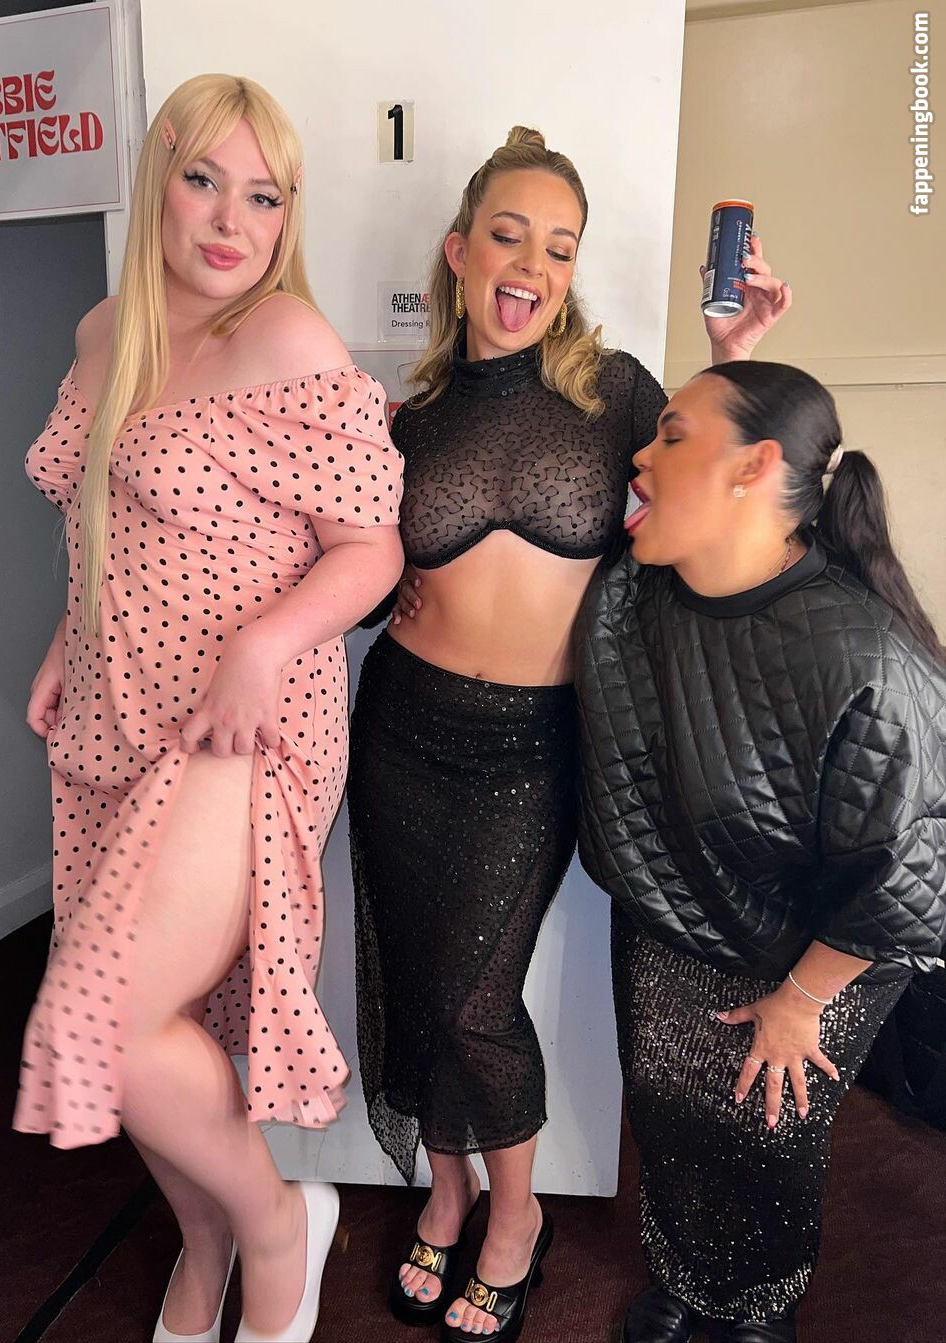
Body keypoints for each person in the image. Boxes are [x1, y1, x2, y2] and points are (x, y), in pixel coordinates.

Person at [347, 125, 790, 1342]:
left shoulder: (616, 393)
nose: (533, 267)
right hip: (401, 727)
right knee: (416, 977)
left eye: (559, 247)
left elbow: (712, 484)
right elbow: (359, 567)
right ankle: (444, 1192)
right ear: (459, 251)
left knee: (475, 997)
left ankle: (517, 1215)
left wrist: (732, 354)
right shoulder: (412, 417)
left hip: (533, 747)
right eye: (509, 236)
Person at [16, 74, 403, 1343]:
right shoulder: (105, 332)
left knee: (110, 1016)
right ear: (159, 179)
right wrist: (67, 637)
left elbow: (373, 547)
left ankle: (281, 1224)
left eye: (265, 195)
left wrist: (263, 642)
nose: (233, 220)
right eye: (204, 181)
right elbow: (103, 515)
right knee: (134, 1017)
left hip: (243, 726)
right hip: (114, 709)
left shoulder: (286, 338)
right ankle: (205, 1237)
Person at [573, 360, 946, 1343]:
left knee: (764, 1129)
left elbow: (908, 880)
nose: (640, 456)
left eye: (671, 436)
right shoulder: (640, 591)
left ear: (755, 466)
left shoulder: (868, 663)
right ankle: (683, 1273)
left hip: (830, 946)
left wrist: (802, 999)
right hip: (677, 905)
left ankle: (758, 1303)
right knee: (667, 1102)